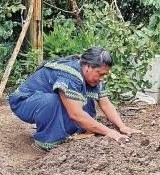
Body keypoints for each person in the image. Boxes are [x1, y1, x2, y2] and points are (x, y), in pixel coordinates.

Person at [9, 47, 142, 150]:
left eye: (105, 75)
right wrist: (109, 132)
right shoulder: (70, 74)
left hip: (43, 102)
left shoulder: (94, 79)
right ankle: (46, 141)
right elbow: (76, 114)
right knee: (54, 101)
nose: (102, 78)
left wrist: (122, 126)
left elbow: (106, 104)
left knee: (86, 103)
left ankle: (70, 132)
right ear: (87, 67)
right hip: (25, 102)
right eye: (100, 74)